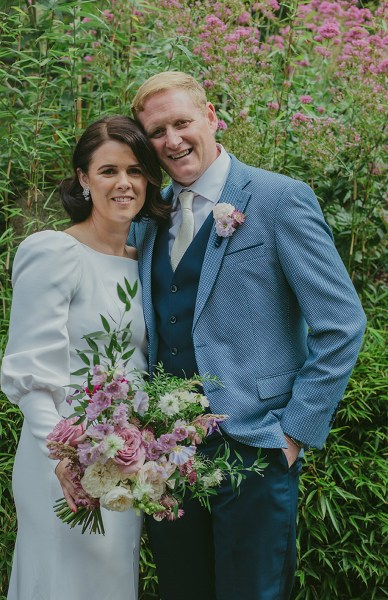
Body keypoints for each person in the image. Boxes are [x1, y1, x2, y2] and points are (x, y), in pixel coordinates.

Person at [129, 71, 367, 600]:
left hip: (256, 448)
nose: (172, 140)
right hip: (168, 458)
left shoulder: (280, 199)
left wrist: (293, 433)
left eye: (182, 122)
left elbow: (342, 324)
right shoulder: (149, 215)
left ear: (211, 117)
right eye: (157, 131)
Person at [1, 115, 169, 600]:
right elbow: (29, 368)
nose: (124, 184)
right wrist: (61, 454)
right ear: (83, 178)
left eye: (136, 171)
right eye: (108, 171)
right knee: (64, 580)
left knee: (111, 580)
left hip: (128, 456)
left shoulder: (146, 263)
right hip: (62, 453)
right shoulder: (54, 251)